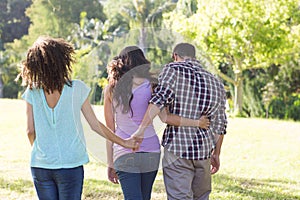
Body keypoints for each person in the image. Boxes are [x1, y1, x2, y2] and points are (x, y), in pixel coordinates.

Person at [17, 36, 138, 200]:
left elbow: (30, 131)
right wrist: (124, 142)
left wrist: (42, 151)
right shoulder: (77, 88)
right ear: (62, 61)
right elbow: (95, 125)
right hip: (71, 164)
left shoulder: (32, 92)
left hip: (41, 165)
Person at [104, 46, 210, 200]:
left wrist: (110, 162)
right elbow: (166, 118)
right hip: (151, 151)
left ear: (121, 62)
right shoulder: (153, 86)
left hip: (123, 151)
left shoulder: (111, 89)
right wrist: (197, 123)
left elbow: (110, 130)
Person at [132, 43, 227, 200]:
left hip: (178, 151)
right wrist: (216, 153)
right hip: (203, 153)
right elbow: (220, 123)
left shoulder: (172, 70)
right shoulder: (215, 81)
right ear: (194, 56)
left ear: (175, 56)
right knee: (201, 197)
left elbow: (159, 100)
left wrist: (141, 130)